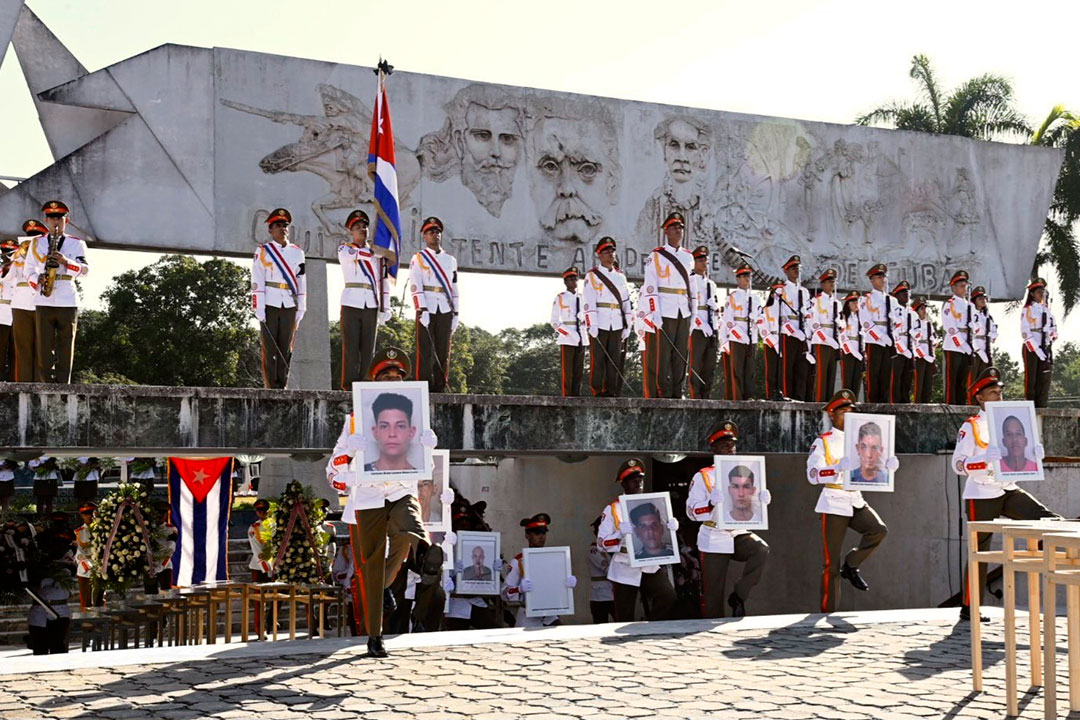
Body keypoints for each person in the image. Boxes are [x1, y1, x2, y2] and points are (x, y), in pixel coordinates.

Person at [326, 346, 446, 657]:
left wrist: (428, 448)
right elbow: (334, 474)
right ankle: (375, 636)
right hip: (368, 497)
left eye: (398, 377)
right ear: (375, 382)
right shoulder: (355, 421)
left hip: (400, 492)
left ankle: (421, 561)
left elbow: (424, 470)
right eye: (387, 376)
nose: (393, 380)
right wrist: (351, 454)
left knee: (411, 533)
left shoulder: (415, 417)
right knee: (372, 564)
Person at [954, 367, 1058, 621]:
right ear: (980, 398)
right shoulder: (971, 427)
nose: (999, 397)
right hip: (981, 493)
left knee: (1047, 519)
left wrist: (1033, 454)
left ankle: (1054, 557)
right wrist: (982, 460)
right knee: (979, 551)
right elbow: (958, 464)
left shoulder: (1011, 420)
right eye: (993, 393)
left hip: (1007, 488)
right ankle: (969, 607)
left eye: (1000, 392)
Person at [807, 390, 895, 612]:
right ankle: (829, 611)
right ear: (832, 415)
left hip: (855, 498)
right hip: (834, 499)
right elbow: (812, 475)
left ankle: (852, 564)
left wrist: (888, 466)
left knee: (878, 530)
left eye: (851, 411)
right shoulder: (823, 442)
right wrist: (836, 468)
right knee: (831, 563)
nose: (848, 415)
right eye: (843, 411)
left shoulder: (864, 440)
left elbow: (872, 465)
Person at [685, 421, 771, 617]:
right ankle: (711, 634)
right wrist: (709, 504)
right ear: (714, 448)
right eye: (724, 445)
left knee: (761, 550)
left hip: (737, 531)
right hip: (714, 535)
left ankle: (739, 595)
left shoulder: (746, 471)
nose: (730, 449)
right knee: (713, 593)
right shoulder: (704, 476)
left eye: (732, 444)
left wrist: (761, 500)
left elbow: (748, 505)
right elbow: (691, 511)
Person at [596, 459, 677, 621]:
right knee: (624, 614)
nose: (638, 482)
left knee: (668, 597)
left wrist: (670, 527)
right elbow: (601, 543)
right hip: (625, 564)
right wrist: (618, 534)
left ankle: (649, 628)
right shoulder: (613, 508)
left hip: (648, 561)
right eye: (633, 479)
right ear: (623, 484)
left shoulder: (652, 504)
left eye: (640, 478)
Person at [23, 201, 89, 383]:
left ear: (65, 220)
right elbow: (28, 269)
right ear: (46, 220)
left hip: (67, 299)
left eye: (59, 218)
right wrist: (38, 280)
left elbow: (85, 271)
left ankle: (63, 387)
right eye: (52, 218)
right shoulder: (36, 243)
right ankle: (46, 386)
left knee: (66, 346)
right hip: (44, 298)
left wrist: (66, 262)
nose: (55, 222)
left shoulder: (77, 244)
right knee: (44, 348)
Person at [639, 212, 694, 399]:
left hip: (683, 310)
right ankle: (663, 391)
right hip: (665, 308)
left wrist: (693, 312)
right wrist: (655, 312)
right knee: (663, 356)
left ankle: (678, 391)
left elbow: (692, 288)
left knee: (680, 354)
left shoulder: (688, 257)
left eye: (680, 227)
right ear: (667, 231)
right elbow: (651, 287)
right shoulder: (656, 256)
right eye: (674, 227)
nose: (678, 230)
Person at [251, 208, 307, 389]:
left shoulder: (297, 252)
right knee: (270, 347)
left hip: (289, 303)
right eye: (277, 225)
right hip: (269, 302)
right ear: (270, 229)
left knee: (286, 347)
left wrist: (302, 306)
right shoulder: (263, 251)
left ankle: (282, 385)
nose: (282, 228)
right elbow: (257, 279)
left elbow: (301, 280)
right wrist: (258, 306)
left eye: (284, 225)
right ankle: (270, 386)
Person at [339, 209, 391, 389]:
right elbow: (357, 255)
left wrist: (386, 307)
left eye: (364, 227)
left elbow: (383, 282)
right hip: (351, 302)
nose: (362, 230)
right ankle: (349, 385)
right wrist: (377, 253)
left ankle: (367, 384)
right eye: (357, 227)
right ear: (351, 231)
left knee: (368, 348)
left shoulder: (378, 256)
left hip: (371, 302)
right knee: (351, 347)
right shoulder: (345, 249)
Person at [408, 216, 459, 393]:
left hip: (445, 306)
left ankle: (440, 386)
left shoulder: (450, 260)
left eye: (437, 232)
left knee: (443, 349)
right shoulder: (419, 259)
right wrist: (421, 308)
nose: (435, 235)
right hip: (427, 306)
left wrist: (457, 313)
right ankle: (422, 386)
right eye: (430, 232)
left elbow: (454, 287)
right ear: (424, 236)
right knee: (425, 350)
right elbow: (415, 286)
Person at [503, 513, 578, 627]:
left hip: (550, 616)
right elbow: (503, 593)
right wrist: (519, 589)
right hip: (528, 617)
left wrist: (566, 584)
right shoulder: (518, 561)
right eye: (537, 533)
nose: (542, 537)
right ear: (527, 535)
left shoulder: (553, 558)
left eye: (544, 532)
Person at [584, 238, 632, 397]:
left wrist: (628, 324)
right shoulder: (592, 276)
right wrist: (592, 324)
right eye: (606, 251)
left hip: (617, 321)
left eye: (612, 251)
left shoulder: (620, 277)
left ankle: (612, 391)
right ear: (599, 255)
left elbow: (625, 302)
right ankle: (597, 391)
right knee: (598, 360)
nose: (610, 254)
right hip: (600, 321)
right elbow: (589, 302)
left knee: (614, 359)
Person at [9, 220, 44, 381]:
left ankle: (41, 384)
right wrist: (10, 264)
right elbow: (8, 279)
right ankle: (23, 385)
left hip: (40, 302)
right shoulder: (16, 256)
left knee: (42, 348)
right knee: (23, 348)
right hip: (20, 302)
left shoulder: (45, 252)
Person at [720, 262, 760, 401]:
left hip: (752, 335)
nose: (747, 279)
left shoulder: (755, 298)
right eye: (744, 276)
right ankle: (737, 397)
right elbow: (729, 321)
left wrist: (757, 318)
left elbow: (760, 317)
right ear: (738, 279)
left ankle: (749, 396)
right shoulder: (733, 297)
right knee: (737, 370)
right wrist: (740, 335)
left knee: (749, 370)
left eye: (748, 276)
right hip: (737, 336)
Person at [686, 245, 720, 399]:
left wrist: (715, 311)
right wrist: (700, 323)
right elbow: (689, 306)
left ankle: (706, 393)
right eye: (700, 260)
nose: (703, 263)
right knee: (696, 362)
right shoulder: (690, 281)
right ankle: (695, 394)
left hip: (711, 326)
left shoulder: (711, 284)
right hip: (697, 327)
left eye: (705, 260)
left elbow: (715, 305)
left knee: (710, 363)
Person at [858, 264, 894, 404]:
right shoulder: (866, 299)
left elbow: (900, 321)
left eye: (883, 277)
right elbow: (866, 323)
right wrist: (881, 337)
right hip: (874, 341)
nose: (882, 280)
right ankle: (872, 403)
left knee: (886, 375)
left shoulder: (892, 300)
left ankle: (884, 403)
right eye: (879, 277)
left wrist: (892, 335)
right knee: (874, 374)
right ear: (872, 280)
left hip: (889, 340)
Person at [778, 256, 812, 401]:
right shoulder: (782, 290)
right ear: (786, 271)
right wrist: (794, 331)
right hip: (789, 333)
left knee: (801, 367)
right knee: (788, 367)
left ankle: (799, 396)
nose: (796, 271)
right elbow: (782, 317)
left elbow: (809, 314)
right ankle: (787, 395)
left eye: (798, 268)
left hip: (803, 331)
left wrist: (807, 334)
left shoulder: (804, 292)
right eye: (793, 269)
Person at [808, 268, 843, 402]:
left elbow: (839, 321)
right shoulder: (816, 301)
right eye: (828, 282)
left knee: (831, 374)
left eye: (833, 282)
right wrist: (827, 339)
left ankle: (829, 401)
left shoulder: (837, 303)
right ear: (822, 284)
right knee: (822, 374)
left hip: (834, 340)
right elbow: (815, 324)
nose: (831, 284)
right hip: (821, 340)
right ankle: (819, 402)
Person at [550, 266, 586, 397]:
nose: (573, 282)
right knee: (568, 370)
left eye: (575, 279)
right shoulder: (560, 298)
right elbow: (554, 322)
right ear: (565, 282)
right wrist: (569, 333)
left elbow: (589, 316)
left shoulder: (583, 298)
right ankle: (567, 395)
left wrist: (585, 320)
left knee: (579, 369)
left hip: (582, 334)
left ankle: (577, 395)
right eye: (570, 279)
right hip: (568, 336)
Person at [1020, 278, 1056, 408]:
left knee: (1044, 378)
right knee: (1031, 379)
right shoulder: (1028, 309)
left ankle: (1042, 404)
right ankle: (1031, 404)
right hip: (1032, 346)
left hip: (1045, 346)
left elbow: (1053, 327)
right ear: (1032, 294)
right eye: (1039, 291)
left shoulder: (1046, 310)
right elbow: (1025, 332)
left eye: (1043, 291)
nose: (1042, 294)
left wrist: (1052, 334)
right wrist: (1036, 349)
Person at [941, 270, 974, 405]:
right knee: (952, 379)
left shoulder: (970, 305)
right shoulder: (950, 304)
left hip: (968, 343)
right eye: (960, 285)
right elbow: (950, 327)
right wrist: (962, 344)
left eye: (965, 285)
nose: (964, 288)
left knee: (963, 379)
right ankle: (951, 404)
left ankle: (961, 404)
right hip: (954, 345)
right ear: (953, 288)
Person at [365, 392, 419, 473]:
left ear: (411, 432)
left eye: (400, 426)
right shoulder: (359, 473)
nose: (392, 434)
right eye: (384, 426)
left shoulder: (421, 478)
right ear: (375, 432)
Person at [889, 280, 916, 404]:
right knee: (896, 379)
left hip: (910, 346)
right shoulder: (894, 309)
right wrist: (901, 348)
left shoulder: (911, 312)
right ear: (896, 296)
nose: (906, 295)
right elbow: (893, 330)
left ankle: (905, 402)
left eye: (907, 293)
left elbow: (917, 331)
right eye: (902, 293)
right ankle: (895, 402)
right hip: (898, 347)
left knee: (907, 379)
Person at [758, 283, 785, 400]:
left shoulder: (785, 311)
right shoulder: (765, 310)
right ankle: (770, 394)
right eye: (778, 294)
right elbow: (763, 329)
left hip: (783, 340)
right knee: (771, 369)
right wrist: (774, 343)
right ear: (773, 295)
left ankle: (781, 392)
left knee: (782, 370)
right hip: (770, 341)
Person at [587, 516, 615, 623]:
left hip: (614, 594)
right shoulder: (594, 549)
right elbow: (607, 568)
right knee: (600, 625)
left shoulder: (612, 548)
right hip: (599, 596)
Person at [74, 502, 101, 609]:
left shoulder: (102, 530)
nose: (89, 516)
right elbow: (80, 553)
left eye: (91, 513)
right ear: (82, 515)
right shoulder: (78, 532)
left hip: (100, 565)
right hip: (85, 567)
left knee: (99, 598)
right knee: (86, 600)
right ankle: (87, 622)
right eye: (86, 513)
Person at [968, 285, 997, 389]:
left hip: (986, 345)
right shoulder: (971, 314)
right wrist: (978, 350)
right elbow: (972, 332)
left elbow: (994, 331)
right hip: (975, 347)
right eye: (980, 299)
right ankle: (971, 402)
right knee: (973, 377)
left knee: (985, 376)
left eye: (984, 298)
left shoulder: (987, 316)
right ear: (974, 300)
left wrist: (992, 334)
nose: (983, 301)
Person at [910, 297, 937, 404]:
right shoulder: (914, 323)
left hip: (930, 354)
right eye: (921, 308)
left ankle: (927, 402)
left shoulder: (928, 323)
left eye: (925, 308)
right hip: (919, 355)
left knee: (928, 382)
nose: (924, 311)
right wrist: (921, 354)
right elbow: (914, 341)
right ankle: (917, 403)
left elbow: (934, 338)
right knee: (919, 382)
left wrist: (932, 352)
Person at [838, 291, 864, 401]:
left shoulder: (861, 317)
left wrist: (862, 352)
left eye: (856, 301)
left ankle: (855, 400)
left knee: (857, 379)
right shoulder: (843, 317)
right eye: (852, 302)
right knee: (847, 378)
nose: (855, 304)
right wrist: (853, 351)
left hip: (859, 349)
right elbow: (843, 337)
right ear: (847, 304)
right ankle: (846, 401)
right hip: (848, 351)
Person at [0, 239, 16, 379]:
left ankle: (14, 387)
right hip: (0, 316)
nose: (7, 256)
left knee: (16, 354)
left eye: (10, 253)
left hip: (17, 314)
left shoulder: (21, 271)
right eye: (4, 252)